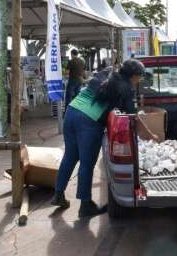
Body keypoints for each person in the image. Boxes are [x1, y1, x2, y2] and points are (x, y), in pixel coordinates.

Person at [51, 59, 157, 217]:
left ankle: (58, 195)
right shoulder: (126, 88)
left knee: (70, 157)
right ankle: (85, 206)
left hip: (72, 112)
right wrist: (151, 135)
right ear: (134, 76)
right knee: (87, 164)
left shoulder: (109, 71)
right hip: (89, 121)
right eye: (139, 77)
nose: (138, 80)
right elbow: (132, 118)